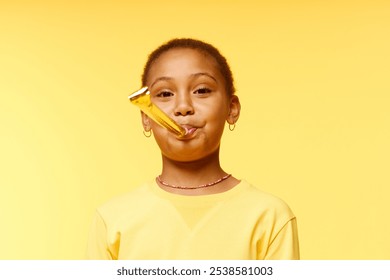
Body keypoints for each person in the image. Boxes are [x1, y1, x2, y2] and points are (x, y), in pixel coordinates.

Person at [87, 38, 300, 260]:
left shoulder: (269, 216)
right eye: (165, 94)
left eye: (201, 90)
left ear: (232, 109)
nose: (183, 108)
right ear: (146, 118)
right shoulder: (112, 219)